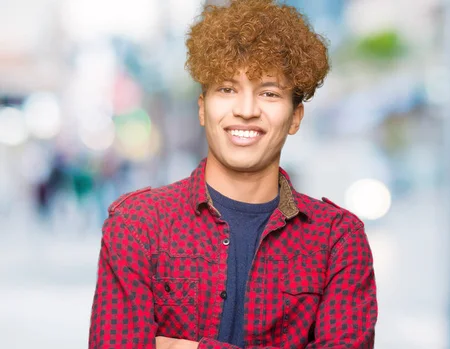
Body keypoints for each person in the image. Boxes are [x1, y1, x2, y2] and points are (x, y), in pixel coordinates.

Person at [88, 0, 378, 348]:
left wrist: (188, 347)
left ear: (296, 117)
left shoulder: (338, 240)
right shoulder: (137, 226)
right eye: (227, 89)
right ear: (202, 107)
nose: (245, 110)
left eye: (269, 93)